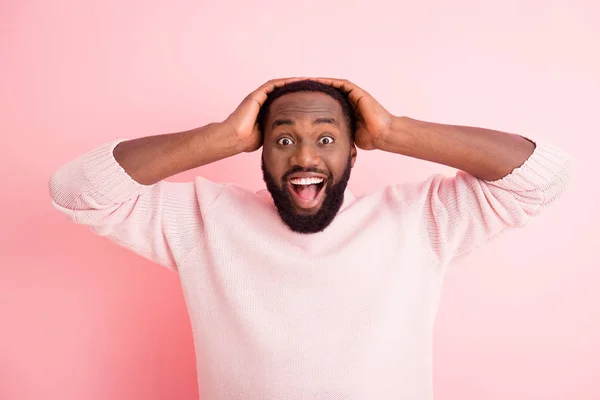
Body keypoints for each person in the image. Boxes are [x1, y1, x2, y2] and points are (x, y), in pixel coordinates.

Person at [49, 77, 572, 399]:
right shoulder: (202, 219)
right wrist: (221, 136)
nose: (304, 157)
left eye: (326, 138)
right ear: (258, 151)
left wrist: (393, 130)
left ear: (354, 152)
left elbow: (544, 177)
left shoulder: (421, 220)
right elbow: (74, 191)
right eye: (282, 139)